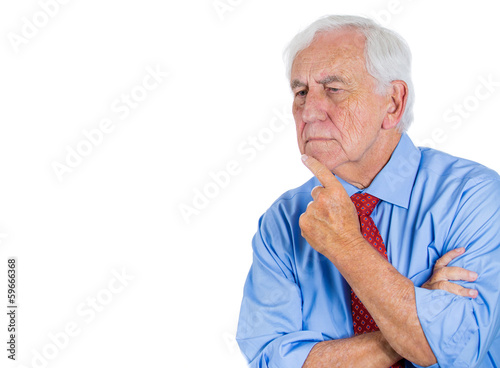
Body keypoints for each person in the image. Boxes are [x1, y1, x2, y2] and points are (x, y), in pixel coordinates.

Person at [236, 15, 500, 368]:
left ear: (393, 102)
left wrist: (346, 245)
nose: (309, 111)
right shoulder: (283, 221)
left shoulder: (473, 196)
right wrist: (411, 326)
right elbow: (269, 360)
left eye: (334, 89)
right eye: (301, 92)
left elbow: (455, 350)